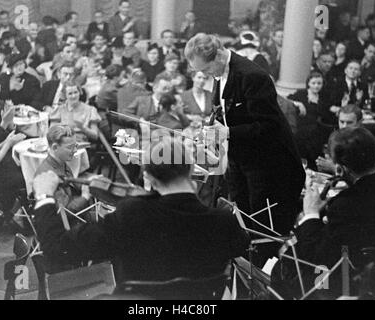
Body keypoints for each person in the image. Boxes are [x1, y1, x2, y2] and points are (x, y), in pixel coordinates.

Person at [33, 136, 250, 282]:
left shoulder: (130, 216)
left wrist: (43, 197)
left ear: (147, 177)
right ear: (192, 170)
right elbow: (242, 245)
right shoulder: (224, 221)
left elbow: (57, 248)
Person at [185, 34, 305, 241]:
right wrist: (211, 127)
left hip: (266, 163)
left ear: (219, 56)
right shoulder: (219, 72)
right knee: (241, 215)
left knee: (261, 224)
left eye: (205, 70)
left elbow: (270, 125)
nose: (204, 76)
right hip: (239, 159)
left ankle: (260, 265)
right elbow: (224, 110)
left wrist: (229, 132)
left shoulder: (253, 76)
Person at [290, 127, 375, 296]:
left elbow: (318, 259)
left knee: (290, 270)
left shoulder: (344, 206)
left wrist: (310, 215)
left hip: (353, 287)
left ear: (340, 170)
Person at [35, 125, 92, 214]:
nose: (75, 150)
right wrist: (85, 197)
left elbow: (72, 184)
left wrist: (87, 184)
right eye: (70, 147)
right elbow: (64, 212)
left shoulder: (60, 162)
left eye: (75, 145)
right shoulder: (48, 177)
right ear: (55, 147)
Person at [315, 104, 363, 174]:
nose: (344, 126)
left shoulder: (364, 142)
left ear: (359, 123)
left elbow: (361, 175)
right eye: (342, 122)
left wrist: (334, 168)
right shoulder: (334, 137)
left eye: (349, 123)